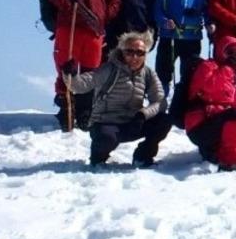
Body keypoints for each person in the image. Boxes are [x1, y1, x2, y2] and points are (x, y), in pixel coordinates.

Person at [45, 0, 121, 130]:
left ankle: (85, 112)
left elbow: (115, 0)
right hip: (69, 27)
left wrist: (104, 16)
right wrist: (70, 8)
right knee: (66, 67)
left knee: (91, 71)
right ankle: (66, 109)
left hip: (95, 31)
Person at [62, 30, 170, 167]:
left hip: (132, 123)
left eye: (140, 53)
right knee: (107, 138)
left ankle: (143, 156)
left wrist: (143, 115)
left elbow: (161, 102)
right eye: (130, 52)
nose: (135, 57)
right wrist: (70, 75)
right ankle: (98, 157)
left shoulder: (148, 73)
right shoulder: (109, 69)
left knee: (164, 121)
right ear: (122, 52)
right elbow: (81, 85)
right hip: (105, 123)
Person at [184, 36, 236, 171]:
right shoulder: (207, 66)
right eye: (230, 52)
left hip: (221, 123)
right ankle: (230, 161)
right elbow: (209, 90)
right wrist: (227, 67)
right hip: (200, 125)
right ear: (221, 52)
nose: (234, 56)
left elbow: (233, 109)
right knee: (234, 115)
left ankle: (215, 153)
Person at [153, 0, 209, 97]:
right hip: (169, 36)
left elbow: (209, 11)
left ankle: (184, 106)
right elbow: (157, 8)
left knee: (190, 74)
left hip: (192, 38)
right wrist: (164, 21)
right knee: (163, 72)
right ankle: (160, 103)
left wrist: (210, 24)